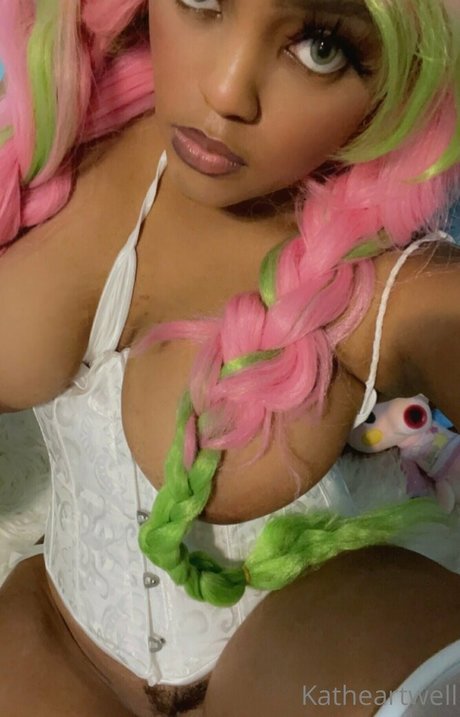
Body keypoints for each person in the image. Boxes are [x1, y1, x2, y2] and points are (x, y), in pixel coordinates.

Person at [0, 0, 459, 715]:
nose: (226, 92)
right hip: (61, 639)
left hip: (321, 659)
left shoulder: (382, 282)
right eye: (203, 1)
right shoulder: (55, 148)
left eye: (321, 48)